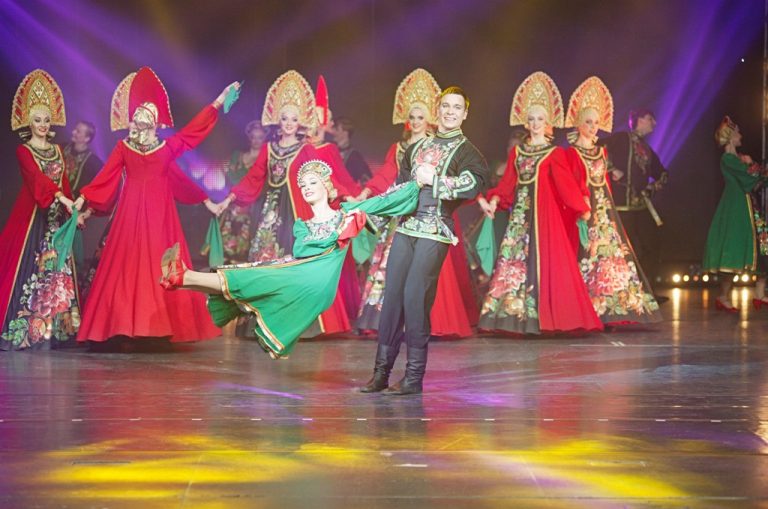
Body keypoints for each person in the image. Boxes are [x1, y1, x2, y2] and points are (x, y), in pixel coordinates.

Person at [159, 160, 421, 359]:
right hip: (301, 274)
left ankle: (185, 276)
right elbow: (304, 252)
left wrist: (417, 184)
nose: (306, 188)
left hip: (317, 282)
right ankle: (182, 279)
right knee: (250, 272)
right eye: (302, 185)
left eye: (312, 183)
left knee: (257, 274)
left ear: (326, 185)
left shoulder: (346, 212)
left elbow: (384, 201)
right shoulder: (303, 226)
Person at [73, 67, 237, 345]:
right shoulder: (124, 147)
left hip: (159, 215)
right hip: (130, 213)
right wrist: (83, 198)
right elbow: (106, 175)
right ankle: (122, 325)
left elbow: (193, 133)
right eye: (138, 117)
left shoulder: (166, 148)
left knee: (160, 263)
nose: (140, 121)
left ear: (155, 124)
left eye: (146, 117)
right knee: (126, 265)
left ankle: (159, 326)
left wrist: (218, 102)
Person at [360, 85, 490, 396]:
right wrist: (370, 217)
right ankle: (381, 373)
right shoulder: (417, 147)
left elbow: (474, 183)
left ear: (465, 114)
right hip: (406, 228)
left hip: (435, 230)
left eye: (456, 107)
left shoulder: (468, 152)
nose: (450, 112)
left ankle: (414, 377)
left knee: (415, 297)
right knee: (392, 297)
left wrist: (437, 180)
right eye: (446, 106)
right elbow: (400, 188)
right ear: (438, 109)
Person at [216, 70, 358, 337]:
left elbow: (322, 176)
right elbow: (254, 178)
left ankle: (296, 322)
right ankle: (262, 320)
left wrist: (346, 196)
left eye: (294, 119)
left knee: (296, 262)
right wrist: (228, 199)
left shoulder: (306, 149)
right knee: (266, 261)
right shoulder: (269, 149)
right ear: (277, 120)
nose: (290, 123)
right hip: (269, 215)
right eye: (285, 118)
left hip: (296, 215)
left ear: (300, 121)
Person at [352, 68, 478, 338]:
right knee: (393, 273)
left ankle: (428, 330)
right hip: (405, 217)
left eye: (421, 117)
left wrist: (447, 187)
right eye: (412, 117)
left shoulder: (447, 147)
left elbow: (464, 179)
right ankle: (386, 331)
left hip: (432, 218)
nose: (416, 121)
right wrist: (368, 197)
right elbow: (389, 178)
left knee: (424, 278)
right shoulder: (403, 149)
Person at [476, 71, 602, 335]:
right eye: (531, 119)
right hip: (520, 219)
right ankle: (515, 316)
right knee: (516, 261)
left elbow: (566, 186)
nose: (535, 124)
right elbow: (508, 183)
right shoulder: (518, 152)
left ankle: (550, 317)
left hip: (546, 218)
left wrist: (581, 207)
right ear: (526, 122)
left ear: (548, 123)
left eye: (540, 119)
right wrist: (495, 199)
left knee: (547, 263)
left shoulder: (554, 153)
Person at [564, 76, 661, 324]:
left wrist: (649, 188)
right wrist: (611, 171)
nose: (593, 127)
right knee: (585, 253)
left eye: (596, 123)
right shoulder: (606, 143)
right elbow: (573, 179)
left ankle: (611, 304)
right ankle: (580, 305)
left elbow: (659, 172)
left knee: (615, 254)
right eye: (588, 122)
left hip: (608, 207)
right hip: (592, 206)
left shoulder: (612, 151)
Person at [0, 69, 80, 350]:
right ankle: (26, 332)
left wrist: (72, 209)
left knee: (58, 271)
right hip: (34, 215)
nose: (43, 125)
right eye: (37, 120)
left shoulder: (58, 150)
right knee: (31, 268)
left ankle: (58, 333)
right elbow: (37, 179)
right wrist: (60, 197)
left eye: (47, 120)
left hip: (56, 218)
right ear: (29, 123)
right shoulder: (24, 151)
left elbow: (64, 182)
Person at [703, 116, 768, 311]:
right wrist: (753, 165)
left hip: (749, 206)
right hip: (737, 208)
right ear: (730, 136)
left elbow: (757, 179)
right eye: (737, 132)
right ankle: (723, 296)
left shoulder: (739, 159)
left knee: (763, 246)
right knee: (733, 252)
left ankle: (760, 293)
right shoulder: (728, 159)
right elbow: (749, 177)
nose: (741, 136)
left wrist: (754, 167)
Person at [600, 108, 668, 284]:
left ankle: (644, 287)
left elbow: (662, 174)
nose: (654, 123)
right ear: (639, 120)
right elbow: (597, 148)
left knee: (652, 245)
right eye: (650, 118)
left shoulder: (646, 149)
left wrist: (651, 188)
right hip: (621, 206)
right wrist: (612, 169)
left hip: (640, 205)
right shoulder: (621, 138)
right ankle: (622, 287)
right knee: (623, 247)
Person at [218, 120, 267, 263]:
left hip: (255, 203)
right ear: (249, 138)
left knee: (249, 232)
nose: (256, 141)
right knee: (229, 228)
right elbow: (228, 174)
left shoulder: (266, 158)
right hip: (236, 201)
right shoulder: (237, 156)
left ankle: (243, 258)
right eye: (253, 137)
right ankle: (226, 258)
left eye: (260, 137)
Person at [332, 116, 372, 185]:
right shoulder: (330, 151)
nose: (333, 132)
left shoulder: (355, 156)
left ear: (345, 132)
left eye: (336, 129)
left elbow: (367, 180)